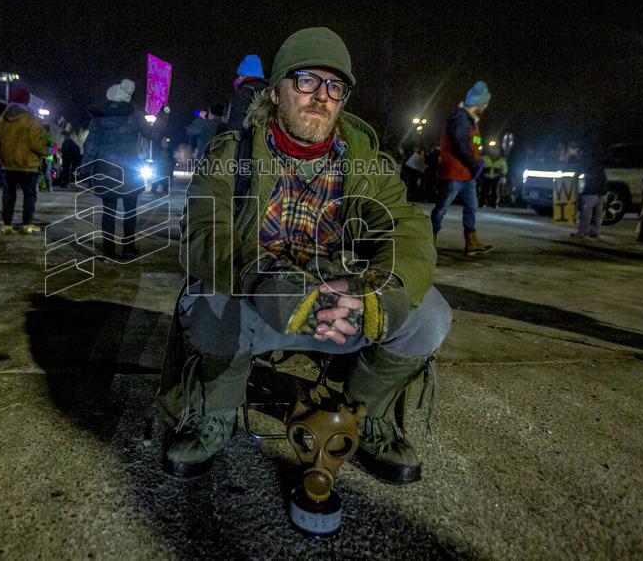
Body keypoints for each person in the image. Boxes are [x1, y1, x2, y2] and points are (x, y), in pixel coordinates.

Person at [157, 27, 450, 484]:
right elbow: (201, 234)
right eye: (305, 80)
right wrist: (262, 277)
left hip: (339, 305)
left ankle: (367, 416)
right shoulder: (230, 155)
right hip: (257, 300)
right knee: (205, 298)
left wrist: (381, 291)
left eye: (335, 86)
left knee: (430, 313)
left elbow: (408, 229)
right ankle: (213, 413)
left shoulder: (367, 162)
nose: (321, 97)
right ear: (274, 91)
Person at [80, 79, 143, 259]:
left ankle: (108, 248)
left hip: (105, 169)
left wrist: (85, 170)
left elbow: (90, 146)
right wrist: (164, 113)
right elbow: (153, 133)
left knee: (108, 211)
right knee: (130, 210)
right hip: (130, 170)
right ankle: (129, 247)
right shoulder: (134, 115)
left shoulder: (98, 117)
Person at [430, 81, 492, 255]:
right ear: (478, 104)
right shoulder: (460, 118)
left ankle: (471, 241)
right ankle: (428, 241)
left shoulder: (471, 121)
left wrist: (475, 165)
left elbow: (471, 145)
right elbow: (461, 144)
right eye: (485, 104)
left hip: (467, 174)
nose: (485, 107)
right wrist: (475, 163)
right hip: (454, 172)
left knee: (472, 206)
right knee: (442, 208)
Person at [0, 84, 44, 235]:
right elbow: (37, 144)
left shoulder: (3, 119)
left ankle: (7, 225)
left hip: (8, 164)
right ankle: (26, 224)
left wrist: (0, 156)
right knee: (29, 195)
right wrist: (45, 150)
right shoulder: (31, 119)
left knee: (8, 195)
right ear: (26, 101)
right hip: (28, 164)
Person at [222, 54, 267, 133]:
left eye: (240, 75)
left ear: (244, 74)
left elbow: (235, 123)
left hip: (245, 140)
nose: (237, 79)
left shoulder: (243, 91)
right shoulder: (268, 90)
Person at [572, 138, 606, 239]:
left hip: (590, 189)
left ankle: (582, 232)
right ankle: (595, 231)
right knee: (598, 213)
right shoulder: (598, 160)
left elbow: (578, 173)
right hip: (601, 189)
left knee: (586, 212)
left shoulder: (587, 161)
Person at [478, 141, 507, 208]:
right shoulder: (484, 158)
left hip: (496, 178)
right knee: (484, 190)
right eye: (493, 150)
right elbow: (479, 166)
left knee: (495, 191)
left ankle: (494, 203)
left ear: (499, 152)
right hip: (486, 177)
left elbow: (504, 170)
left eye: (497, 150)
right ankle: (482, 203)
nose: (495, 152)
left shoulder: (502, 160)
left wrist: (502, 175)